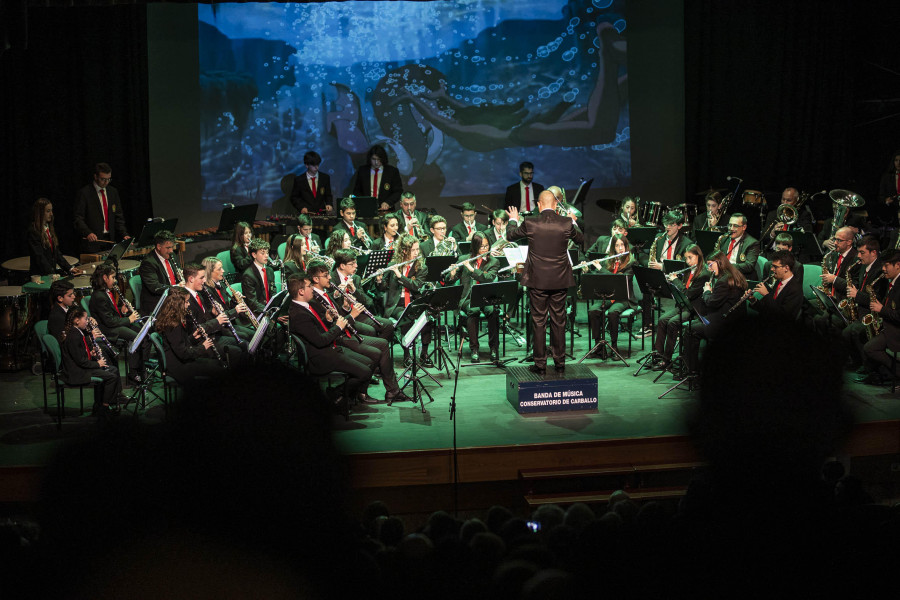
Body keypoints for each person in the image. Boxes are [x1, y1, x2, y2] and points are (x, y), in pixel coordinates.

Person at [305, 261, 409, 404]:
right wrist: (352, 315)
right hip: (339, 339)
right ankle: (355, 392)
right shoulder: (313, 299)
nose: (330, 277)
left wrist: (346, 308)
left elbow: (337, 316)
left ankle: (389, 391)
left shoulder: (324, 294)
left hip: (345, 333)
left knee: (383, 344)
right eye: (326, 275)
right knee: (377, 351)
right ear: (316, 279)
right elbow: (327, 326)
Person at [507, 190, 584, 374]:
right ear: (556, 205)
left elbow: (510, 235)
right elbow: (580, 239)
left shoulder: (530, 222)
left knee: (539, 321)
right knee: (559, 321)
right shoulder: (565, 223)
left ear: (539, 205)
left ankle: (540, 363)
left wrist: (513, 219)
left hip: (538, 281)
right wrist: (573, 220)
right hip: (560, 280)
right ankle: (559, 362)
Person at [287, 272, 374, 416]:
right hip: (321, 358)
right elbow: (320, 341)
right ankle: (336, 395)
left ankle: (340, 396)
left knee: (369, 362)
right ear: (301, 291)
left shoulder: (304, 306)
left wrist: (327, 320)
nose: (313, 289)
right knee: (364, 372)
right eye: (309, 286)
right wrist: (340, 325)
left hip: (329, 349)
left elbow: (316, 332)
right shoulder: (299, 314)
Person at [682, 251, 748, 376]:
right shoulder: (732, 274)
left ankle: (692, 370)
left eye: (711, 265)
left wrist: (707, 291)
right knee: (694, 323)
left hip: (724, 321)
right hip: (729, 318)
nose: (709, 268)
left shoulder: (724, 281)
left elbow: (712, 303)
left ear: (719, 262)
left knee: (690, 329)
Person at [88, 264, 151, 385]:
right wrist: (129, 319)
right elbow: (109, 321)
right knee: (137, 338)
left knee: (144, 333)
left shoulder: (106, 292)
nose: (115, 280)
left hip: (115, 325)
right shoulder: (99, 296)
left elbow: (111, 312)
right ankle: (133, 374)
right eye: (113, 277)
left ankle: (141, 368)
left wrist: (122, 310)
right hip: (108, 330)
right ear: (105, 278)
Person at [377, 233, 433, 366]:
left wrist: (400, 276)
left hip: (415, 301)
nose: (416, 253)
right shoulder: (393, 264)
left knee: (427, 317)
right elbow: (383, 288)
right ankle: (407, 354)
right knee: (406, 317)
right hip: (397, 304)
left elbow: (416, 286)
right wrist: (379, 280)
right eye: (412, 250)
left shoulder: (421, 267)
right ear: (404, 251)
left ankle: (424, 353)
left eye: (417, 249)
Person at [650, 244, 709, 371]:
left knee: (673, 322)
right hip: (683, 305)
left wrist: (675, 281)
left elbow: (689, 294)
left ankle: (667, 360)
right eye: (686, 258)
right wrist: (670, 282)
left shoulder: (703, 274)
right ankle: (658, 355)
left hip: (694, 309)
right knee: (662, 319)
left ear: (698, 256)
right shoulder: (689, 270)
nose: (687, 262)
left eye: (690, 258)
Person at [445, 232, 500, 363]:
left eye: (487, 246)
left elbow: (488, 278)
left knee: (492, 311)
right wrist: (452, 275)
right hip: (468, 298)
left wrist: (472, 270)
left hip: (486, 296)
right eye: (482, 247)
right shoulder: (464, 259)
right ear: (475, 247)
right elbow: (449, 281)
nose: (485, 249)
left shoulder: (494, 261)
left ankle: (493, 348)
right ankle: (474, 349)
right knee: (473, 310)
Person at [60, 305, 124, 416]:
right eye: (85, 318)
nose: (87, 321)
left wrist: (90, 353)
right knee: (111, 376)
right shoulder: (74, 336)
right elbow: (80, 361)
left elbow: (80, 354)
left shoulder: (77, 332)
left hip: (81, 367)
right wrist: (97, 363)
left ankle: (100, 405)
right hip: (77, 372)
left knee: (113, 370)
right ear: (76, 320)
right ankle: (104, 407)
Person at [155, 287, 227, 384]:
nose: (188, 304)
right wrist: (203, 347)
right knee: (218, 369)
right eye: (187, 302)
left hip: (181, 361)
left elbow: (180, 343)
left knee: (215, 363)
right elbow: (183, 354)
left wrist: (193, 337)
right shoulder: (173, 325)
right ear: (178, 304)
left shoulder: (173, 319)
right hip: (178, 367)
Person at [182, 263, 248, 368]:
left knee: (245, 344)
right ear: (191, 279)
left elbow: (207, 318)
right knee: (237, 351)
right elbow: (195, 329)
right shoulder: (185, 300)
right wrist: (217, 321)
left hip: (212, 335)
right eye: (202, 278)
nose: (204, 281)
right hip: (201, 343)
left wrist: (216, 313)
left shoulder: (199, 295)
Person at [586, 235, 640, 358]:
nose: (620, 248)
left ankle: (614, 347)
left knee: (613, 312)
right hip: (608, 295)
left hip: (624, 297)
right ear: (613, 247)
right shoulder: (608, 260)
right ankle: (599, 345)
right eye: (617, 245)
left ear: (626, 246)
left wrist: (600, 268)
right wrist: (587, 270)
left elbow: (619, 280)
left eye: (622, 245)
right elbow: (599, 277)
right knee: (594, 310)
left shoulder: (632, 263)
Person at [843, 237, 887, 377]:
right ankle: (857, 361)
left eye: (862, 253)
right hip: (860, 309)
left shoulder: (881, 271)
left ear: (873, 253)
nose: (858, 256)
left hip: (872, 313)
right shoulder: (863, 266)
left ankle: (868, 365)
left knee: (853, 331)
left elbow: (878, 299)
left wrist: (857, 295)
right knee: (845, 330)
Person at [331, 248, 394, 342]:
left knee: (388, 325)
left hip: (358, 314)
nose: (356, 266)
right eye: (352, 264)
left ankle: (378, 348)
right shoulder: (330, 278)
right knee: (370, 331)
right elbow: (330, 302)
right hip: (343, 317)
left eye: (356, 263)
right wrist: (337, 294)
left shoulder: (356, 278)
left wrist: (354, 290)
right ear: (342, 266)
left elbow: (366, 302)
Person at [861, 249, 900, 385]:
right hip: (890, 323)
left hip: (896, 329)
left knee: (870, 348)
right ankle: (879, 373)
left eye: (886, 266)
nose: (883, 269)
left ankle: (897, 371)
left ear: (898, 265)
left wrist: (881, 309)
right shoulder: (893, 280)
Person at [73, 162, 130, 254]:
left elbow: (118, 217)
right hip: (92, 242)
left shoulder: (113, 192)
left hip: (109, 240)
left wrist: (124, 234)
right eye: (103, 179)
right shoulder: (85, 193)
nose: (106, 182)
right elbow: (78, 218)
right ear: (95, 177)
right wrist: (88, 233)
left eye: (108, 179)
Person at [201, 255, 255, 339]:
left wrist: (235, 299)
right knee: (246, 337)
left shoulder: (221, 284)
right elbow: (216, 315)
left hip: (229, 323)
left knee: (253, 334)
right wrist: (235, 310)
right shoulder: (205, 291)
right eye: (219, 269)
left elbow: (226, 308)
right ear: (209, 272)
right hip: (220, 329)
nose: (223, 271)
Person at [27, 198, 81, 278]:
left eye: (51, 211)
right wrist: (52, 274)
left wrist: (69, 268)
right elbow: (39, 257)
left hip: (50, 273)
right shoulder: (33, 231)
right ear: (40, 213)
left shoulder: (48, 228)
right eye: (48, 211)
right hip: (40, 276)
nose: (51, 214)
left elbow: (56, 254)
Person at [752, 250, 804, 320]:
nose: (771, 269)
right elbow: (768, 308)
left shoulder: (795, 289)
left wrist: (766, 295)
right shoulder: (778, 282)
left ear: (786, 268)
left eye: (775, 267)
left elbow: (782, 316)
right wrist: (754, 301)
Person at [138, 230, 180, 313]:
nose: (171, 250)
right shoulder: (148, 263)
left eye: (172, 247)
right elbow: (155, 287)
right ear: (159, 246)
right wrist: (176, 288)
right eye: (168, 248)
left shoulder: (172, 255)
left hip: (173, 295)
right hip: (158, 301)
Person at [352, 144, 403, 211]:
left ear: (383, 159)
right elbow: (357, 191)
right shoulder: (363, 171)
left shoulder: (392, 171)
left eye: (379, 159)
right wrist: (364, 202)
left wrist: (388, 202)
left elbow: (398, 191)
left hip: (387, 210)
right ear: (369, 158)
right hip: (366, 209)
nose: (376, 162)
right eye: (374, 159)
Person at [712, 213, 760, 279]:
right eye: (730, 225)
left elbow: (749, 266)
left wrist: (728, 267)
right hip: (722, 276)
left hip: (740, 277)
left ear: (744, 227)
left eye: (735, 226)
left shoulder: (752, 243)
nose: (731, 228)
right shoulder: (723, 238)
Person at [240, 239, 277, 316]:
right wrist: (270, 312)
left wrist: (276, 309)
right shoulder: (248, 275)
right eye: (262, 253)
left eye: (267, 253)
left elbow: (273, 292)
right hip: (258, 313)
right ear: (254, 255)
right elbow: (253, 303)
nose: (266, 256)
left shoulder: (269, 270)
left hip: (270, 310)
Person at [876, 151, 900, 226]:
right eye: (896, 160)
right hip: (892, 212)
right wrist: (886, 200)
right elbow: (880, 196)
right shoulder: (887, 177)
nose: (899, 162)